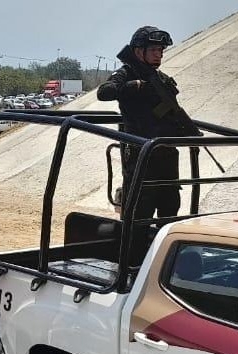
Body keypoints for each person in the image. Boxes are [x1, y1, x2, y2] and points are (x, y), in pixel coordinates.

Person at [98, 25, 200, 219]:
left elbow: (173, 111)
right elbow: (104, 92)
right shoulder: (126, 73)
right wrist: (134, 86)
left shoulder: (161, 79)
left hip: (166, 154)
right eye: (153, 50)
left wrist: (190, 132)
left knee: (170, 207)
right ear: (138, 51)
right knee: (140, 212)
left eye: (160, 50)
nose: (158, 54)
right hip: (141, 155)